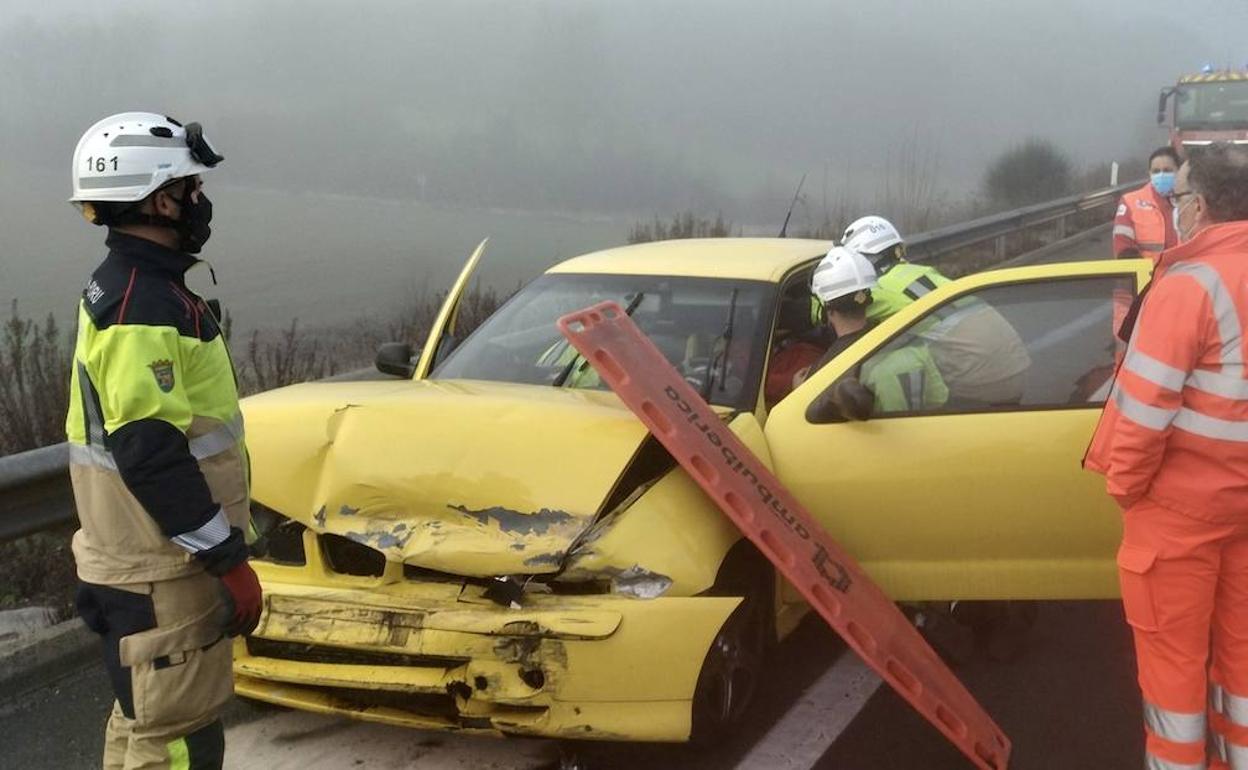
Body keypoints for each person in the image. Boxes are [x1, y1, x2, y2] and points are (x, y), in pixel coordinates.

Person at [65, 112, 261, 770]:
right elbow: (151, 451)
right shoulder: (141, 304)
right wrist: (228, 559)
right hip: (160, 569)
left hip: (133, 557)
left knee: (142, 723)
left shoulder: (130, 288)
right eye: (190, 188)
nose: (200, 202)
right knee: (179, 738)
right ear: (158, 198)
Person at [1084, 142, 1248, 770]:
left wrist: (1126, 488)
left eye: (1176, 196)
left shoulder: (1188, 286)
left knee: (1174, 674)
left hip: (1178, 518)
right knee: (1240, 667)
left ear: (1199, 206)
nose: (1172, 206)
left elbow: (1144, 412)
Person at [842, 215, 1031, 407]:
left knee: (892, 365)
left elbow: (839, 309)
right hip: (1017, 368)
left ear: (862, 260)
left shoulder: (881, 289)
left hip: (981, 386)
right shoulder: (924, 273)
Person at [805, 246, 947, 413]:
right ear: (868, 299)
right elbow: (939, 398)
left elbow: (810, 413)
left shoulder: (828, 370)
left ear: (826, 309)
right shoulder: (910, 341)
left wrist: (799, 387)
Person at [1113, 146, 1181, 261]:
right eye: (1156, 171)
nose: (1161, 175)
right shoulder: (1130, 202)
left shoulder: (1191, 200)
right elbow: (1123, 248)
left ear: (1179, 171)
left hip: (1185, 274)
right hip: (1148, 276)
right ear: (1149, 173)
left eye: (1167, 170)